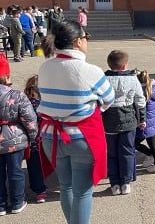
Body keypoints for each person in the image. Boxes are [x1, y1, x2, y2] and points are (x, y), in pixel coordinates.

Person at [37, 20, 114, 224]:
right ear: (78, 41)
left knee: (66, 187)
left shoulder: (45, 67)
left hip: (50, 138)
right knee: (82, 193)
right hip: (80, 138)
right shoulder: (89, 70)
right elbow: (108, 99)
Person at [102, 50, 146, 196]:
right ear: (124, 65)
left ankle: (114, 183)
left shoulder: (103, 79)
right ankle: (126, 183)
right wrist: (142, 119)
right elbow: (140, 100)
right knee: (127, 152)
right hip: (128, 121)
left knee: (111, 153)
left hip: (109, 121)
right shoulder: (133, 79)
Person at [0, 54, 38, 215]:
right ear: (6, 75)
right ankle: (17, 202)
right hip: (14, 140)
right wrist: (32, 136)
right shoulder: (17, 95)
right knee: (15, 171)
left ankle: (1, 204)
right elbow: (29, 119)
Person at [23, 75, 48, 203]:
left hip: (30, 142)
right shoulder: (43, 105)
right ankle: (41, 190)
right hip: (44, 141)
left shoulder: (24, 104)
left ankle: (39, 190)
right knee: (44, 164)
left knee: (33, 166)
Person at [134, 69, 155, 174]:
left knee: (134, 143)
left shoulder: (139, 92)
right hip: (152, 122)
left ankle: (150, 155)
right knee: (153, 143)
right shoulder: (153, 89)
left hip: (143, 123)